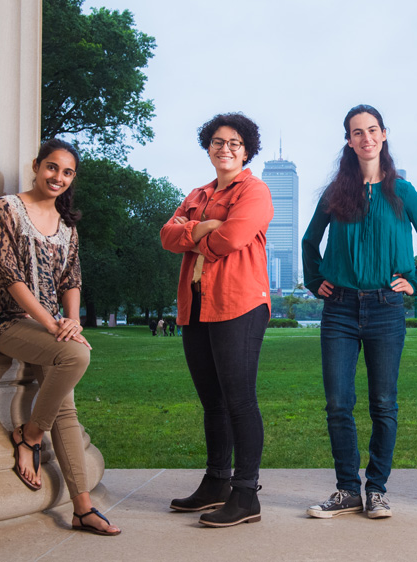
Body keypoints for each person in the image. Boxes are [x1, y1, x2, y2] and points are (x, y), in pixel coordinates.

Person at [302, 104, 417, 519]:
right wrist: (316, 281)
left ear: (384, 135)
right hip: (340, 309)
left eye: (372, 130)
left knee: (383, 403)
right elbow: (310, 242)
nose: (366, 138)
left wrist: (415, 282)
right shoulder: (335, 193)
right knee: (338, 403)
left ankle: (377, 489)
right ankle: (347, 489)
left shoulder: (402, 190)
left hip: (385, 308)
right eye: (356, 132)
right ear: (348, 141)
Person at [0, 138, 120, 536]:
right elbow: (8, 275)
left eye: (67, 172)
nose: (58, 177)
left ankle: (82, 508)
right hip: (5, 319)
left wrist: (71, 321)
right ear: (37, 166)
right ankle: (30, 434)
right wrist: (53, 325)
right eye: (52, 167)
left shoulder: (67, 223)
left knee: (67, 409)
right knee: (75, 358)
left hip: (50, 325)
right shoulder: (8, 207)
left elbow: (72, 280)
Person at [160, 113, 273, 528]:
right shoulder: (199, 193)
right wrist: (204, 224)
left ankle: (246, 495)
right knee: (213, 402)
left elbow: (230, 239)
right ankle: (215, 484)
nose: (225, 148)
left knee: (239, 400)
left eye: (234, 143)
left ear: (247, 150)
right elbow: (165, 235)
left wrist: (192, 231)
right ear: (208, 147)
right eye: (217, 141)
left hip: (238, 303)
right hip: (195, 304)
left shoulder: (255, 191)